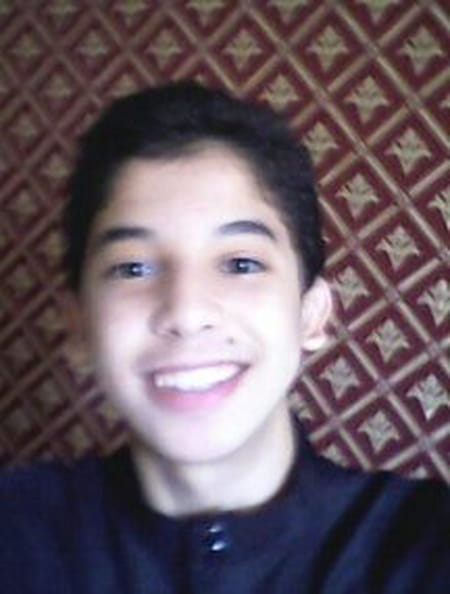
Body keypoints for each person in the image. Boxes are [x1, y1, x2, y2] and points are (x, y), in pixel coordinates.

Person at [0, 81, 448, 593]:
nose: (187, 312)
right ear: (79, 325)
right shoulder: (17, 532)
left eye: (240, 263)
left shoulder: (424, 547)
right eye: (132, 268)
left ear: (310, 314)